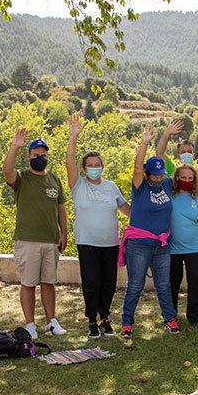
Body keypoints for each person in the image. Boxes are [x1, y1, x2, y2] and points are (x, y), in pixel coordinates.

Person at [65, 115, 130, 338]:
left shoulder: (111, 187)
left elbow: (127, 210)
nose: (94, 168)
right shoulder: (78, 184)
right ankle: (92, 320)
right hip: (87, 243)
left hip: (110, 243)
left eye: (97, 165)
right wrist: (74, 136)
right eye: (90, 165)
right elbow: (68, 162)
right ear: (84, 168)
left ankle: (105, 319)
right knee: (91, 283)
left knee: (108, 284)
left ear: (102, 166)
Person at [2, 129, 69, 340]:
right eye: (36, 155)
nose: (41, 158)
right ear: (29, 156)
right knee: (29, 283)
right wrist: (14, 146)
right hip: (27, 240)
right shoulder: (22, 178)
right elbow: (6, 171)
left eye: (44, 155)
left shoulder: (54, 179)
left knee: (49, 283)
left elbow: (61, 208)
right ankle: (30, 324)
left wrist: (64, 233)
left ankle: (51, 322)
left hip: (51, 241)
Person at [119, 124, 178, 338]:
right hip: (139, 245)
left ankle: (170, 320)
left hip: (162, 245)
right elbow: (136, 167)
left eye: (161, 174)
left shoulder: (167, 184)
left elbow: (189, 177)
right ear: (147, 173)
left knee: (163, 284)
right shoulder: (140, 186)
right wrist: (144, 143)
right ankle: (127, 323)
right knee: (135, 284)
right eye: (154, 175)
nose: (158, 178)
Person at [168, 163, 198, 327]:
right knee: (173, 281)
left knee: (195, 281)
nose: (186, 180)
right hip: (172, 247)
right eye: (183, 177)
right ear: (176, 178)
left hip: (195, 246)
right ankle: (170, 315)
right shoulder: (169, 194)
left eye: (190, 178)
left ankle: (194, 317)